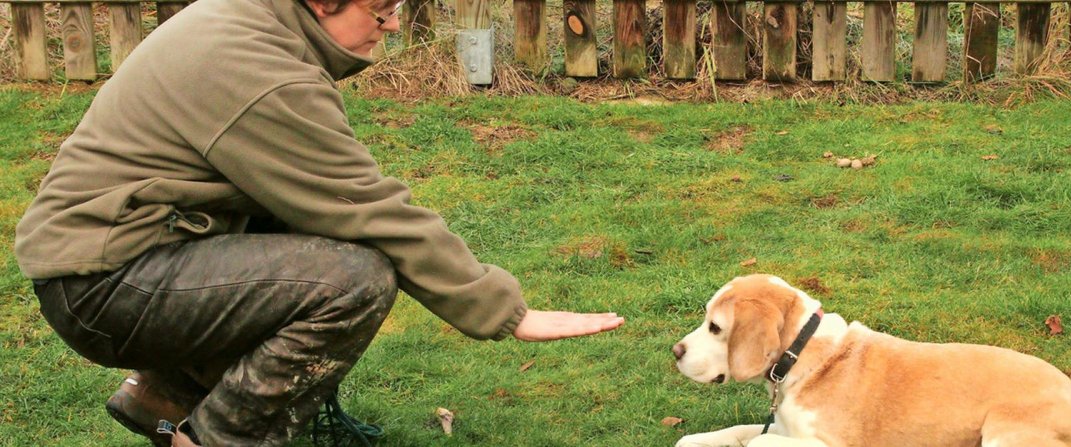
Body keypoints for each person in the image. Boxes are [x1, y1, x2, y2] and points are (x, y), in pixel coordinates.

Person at [13, 0, 625, 445]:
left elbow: (320, 202)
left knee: (312, 239)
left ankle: (165, 393)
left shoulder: (247, 20)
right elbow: (362, 203)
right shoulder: (258, 67)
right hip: (105, 282)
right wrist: (505, 311)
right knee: (351, 279)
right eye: (380, 11)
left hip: (131, 256)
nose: (388, 28)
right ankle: (212, 439)